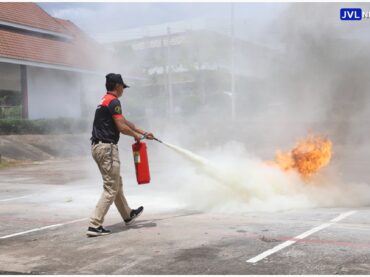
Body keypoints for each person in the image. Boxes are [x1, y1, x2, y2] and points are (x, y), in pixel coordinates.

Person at [87, 73, 154, 237]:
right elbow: (121, 127)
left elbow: (124, 122)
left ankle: (127, 215)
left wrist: (143, 132)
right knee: (111, 187)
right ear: (117, 86)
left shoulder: (105, 101)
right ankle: (95, 225)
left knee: (117, 183)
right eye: (122, 86)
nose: (123, 90)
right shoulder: (114, 101)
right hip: (107, 148)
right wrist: (135, 135)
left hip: (98, 147)